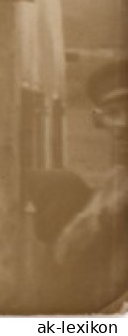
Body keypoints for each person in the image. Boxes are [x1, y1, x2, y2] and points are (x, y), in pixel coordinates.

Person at [53, 59, 128, 311]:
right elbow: (65, 255)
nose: (122, 127)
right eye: (114, 114)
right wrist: (105, 212)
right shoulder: (117, 181)